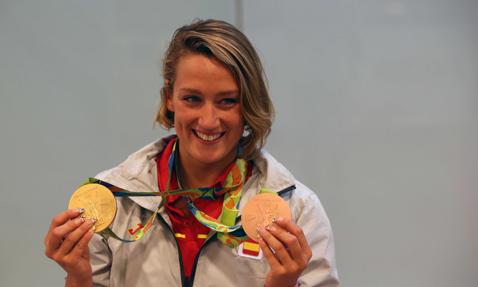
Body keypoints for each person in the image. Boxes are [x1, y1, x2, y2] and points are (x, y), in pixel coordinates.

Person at [44, 19, 339, 287]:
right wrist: (78, 278)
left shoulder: (297, 210)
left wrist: (283, 283)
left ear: (249, 104)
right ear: (169, 98)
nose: (209, 121)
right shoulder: (115, 201)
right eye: (192, 99)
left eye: (227, 101)